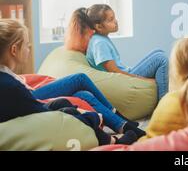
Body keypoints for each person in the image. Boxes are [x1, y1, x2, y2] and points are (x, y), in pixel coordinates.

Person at [0, 19, 137, 145]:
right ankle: (116, 129)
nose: (29, 50)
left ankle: (120, 126)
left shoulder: (7, 78)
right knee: (79, 81)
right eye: (27, 46)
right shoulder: (11, 86)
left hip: (30, 102)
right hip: (34, 107)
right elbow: (43, 114)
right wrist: (91, 117)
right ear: (14, 50)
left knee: (82, 95)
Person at [85, 4, 168, 100]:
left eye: (114, 18)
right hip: (124, 79)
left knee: (158, 52)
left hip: (127, 72)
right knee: (161, 59)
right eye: (110, 20)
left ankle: (162, 88)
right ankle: (163, 102)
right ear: (99, 27)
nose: (115, 21)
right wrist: (145, 80)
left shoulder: (100, 38)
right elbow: (115, 72)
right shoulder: (99, 43)